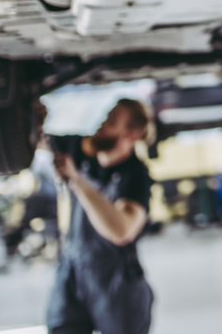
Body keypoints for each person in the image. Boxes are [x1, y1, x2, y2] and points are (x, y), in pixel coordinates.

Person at [47, 98, 154, 334]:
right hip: (72, 269)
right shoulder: (79, 149)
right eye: (106, 118)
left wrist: (77, 182)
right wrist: (32, 118)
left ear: (132, 134)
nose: (102, 125)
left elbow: (121, 231)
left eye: (112, 122)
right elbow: (29, 142)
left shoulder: (135, 175)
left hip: (117, 281)